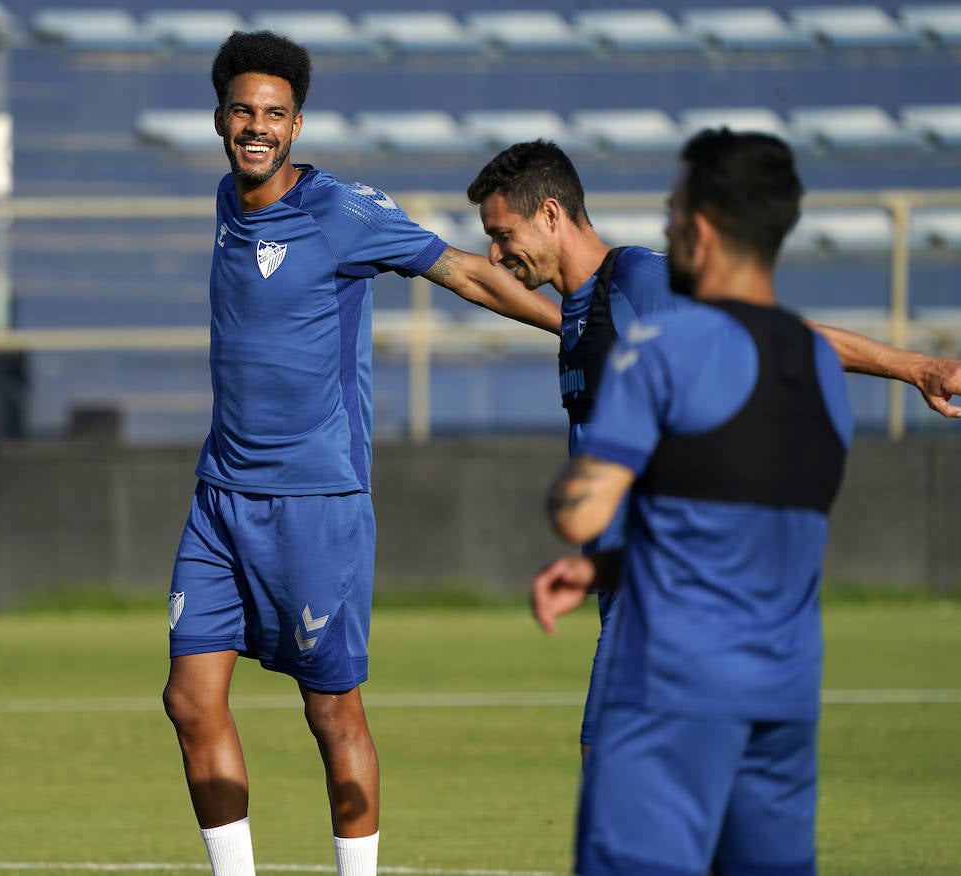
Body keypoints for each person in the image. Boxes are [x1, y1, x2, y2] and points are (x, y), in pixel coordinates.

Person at [160, 30, 561, 876]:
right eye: (243, 111)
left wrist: (576, 326)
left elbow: (463, 271)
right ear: (221, 119)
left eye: (274, 114)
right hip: (219, 497)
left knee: (331, 711)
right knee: (191, 702)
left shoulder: (341, 211)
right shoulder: (229, 200)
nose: (256, 127)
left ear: (297, 125)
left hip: (315, 500)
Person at [465, 139, 961, 762]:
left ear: (552, 215)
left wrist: (916, 368)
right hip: (630, 585)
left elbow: (777, 337)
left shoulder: (642, 282)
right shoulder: (574, 310)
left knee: (616, 784)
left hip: (667, 590)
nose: (496, 251)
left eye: (502, 233)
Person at [531, 128, 852, 875]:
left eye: (673, 213)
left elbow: (579, 510)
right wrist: (607, 563)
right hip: (785, 690)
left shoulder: (663, 349)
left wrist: (575, 498)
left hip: (671, 684)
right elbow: (739, 517)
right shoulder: (820, 369)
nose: (666, 229)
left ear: (699, 231)